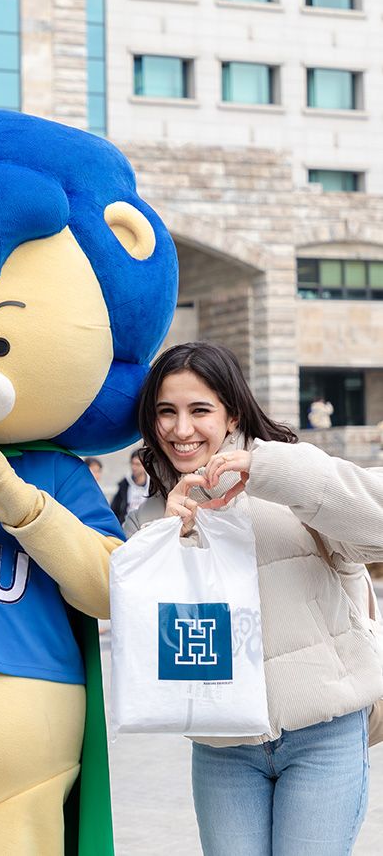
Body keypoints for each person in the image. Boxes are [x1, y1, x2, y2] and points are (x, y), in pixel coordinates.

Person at [126, 341, 383, 856]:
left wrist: (268, 471)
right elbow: (138, 630)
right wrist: (167, 539)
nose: (181, 429)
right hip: (222, 744)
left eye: (200, 410)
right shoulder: (150, 519)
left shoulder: (290, 480)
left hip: (323, 733)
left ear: (232, 414)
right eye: (166, 412)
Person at [109, 448, 149, 525]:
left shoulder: (152, 485)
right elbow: (114, 508)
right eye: (132, 463)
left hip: (146, 525)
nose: (134, 467)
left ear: (145, 465)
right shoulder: (124, 484)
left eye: (137, 464)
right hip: (127, 525)